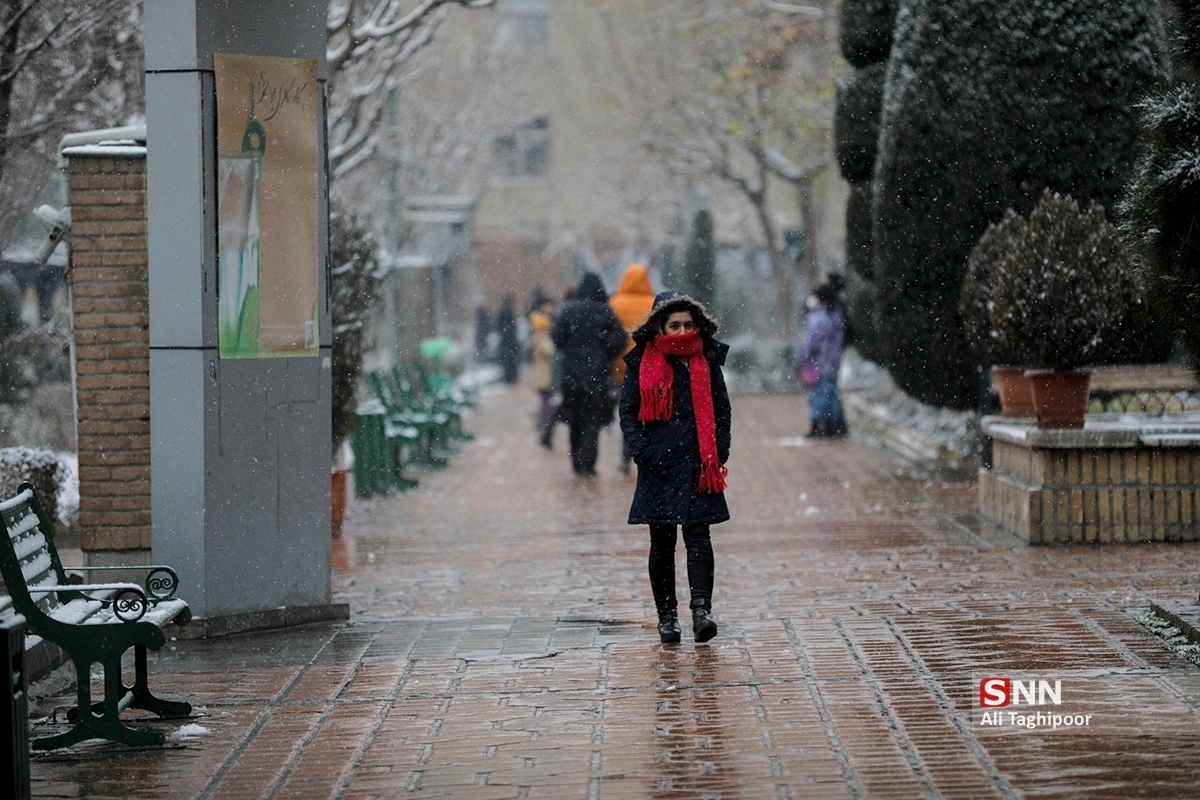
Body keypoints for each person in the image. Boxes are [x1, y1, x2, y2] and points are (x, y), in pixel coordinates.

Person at [619, 291, 731, 644]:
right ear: (660, 327)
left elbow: (721, 407)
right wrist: (643, 452)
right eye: (674, 325)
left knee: (699, 538)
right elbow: (628, 412)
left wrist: (719, 449)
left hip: (700, 462)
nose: (682, 331)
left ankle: (702, 612)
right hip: (659, 465)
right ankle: (667, 618)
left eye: (687, 324)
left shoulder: (707, 358)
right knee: (662, 542)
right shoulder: (641, 363)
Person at [551, 273, 628, 476]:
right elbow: (621, 337)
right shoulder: (604, 311)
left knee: (574, 419)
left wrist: (571, 349)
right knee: (592, 419)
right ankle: (589, 464)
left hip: (572, 374)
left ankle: (577, 462)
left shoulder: (568, 311)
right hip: (597, 373)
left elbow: (557, 338)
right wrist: (606, 354)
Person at [609, 263, 656, 474]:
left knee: (627, 411)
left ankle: (625, 453)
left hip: (622, 365)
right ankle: (647, 452)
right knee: (649, 411)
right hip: (648, 365)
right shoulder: (654, 303)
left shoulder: (614, 304)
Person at [796, 284, 847, 438]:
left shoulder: (819, 317)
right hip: (833, 363)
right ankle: (834, 427)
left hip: (818, 364)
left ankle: (817, 427)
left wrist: (800, 358)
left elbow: (811, 343)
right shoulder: (837, 315)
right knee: (831, 395)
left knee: (818, 396)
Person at [526, 298, 557, 449]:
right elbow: (550, 351)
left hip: (540, 377)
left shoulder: (535, 338)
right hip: (545, 377)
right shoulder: (543, 338)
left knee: (544, 401)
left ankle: (543, 423)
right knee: (547, 403)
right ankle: (545, 424)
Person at [495, 295, 521, 384]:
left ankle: (508, 378)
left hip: (505, 340)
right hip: (510, 340)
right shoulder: (510, 312)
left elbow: (498, 325)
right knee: (511, 361)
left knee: (507, 361)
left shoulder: (502, 312)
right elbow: (513, 327)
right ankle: (511, 378)